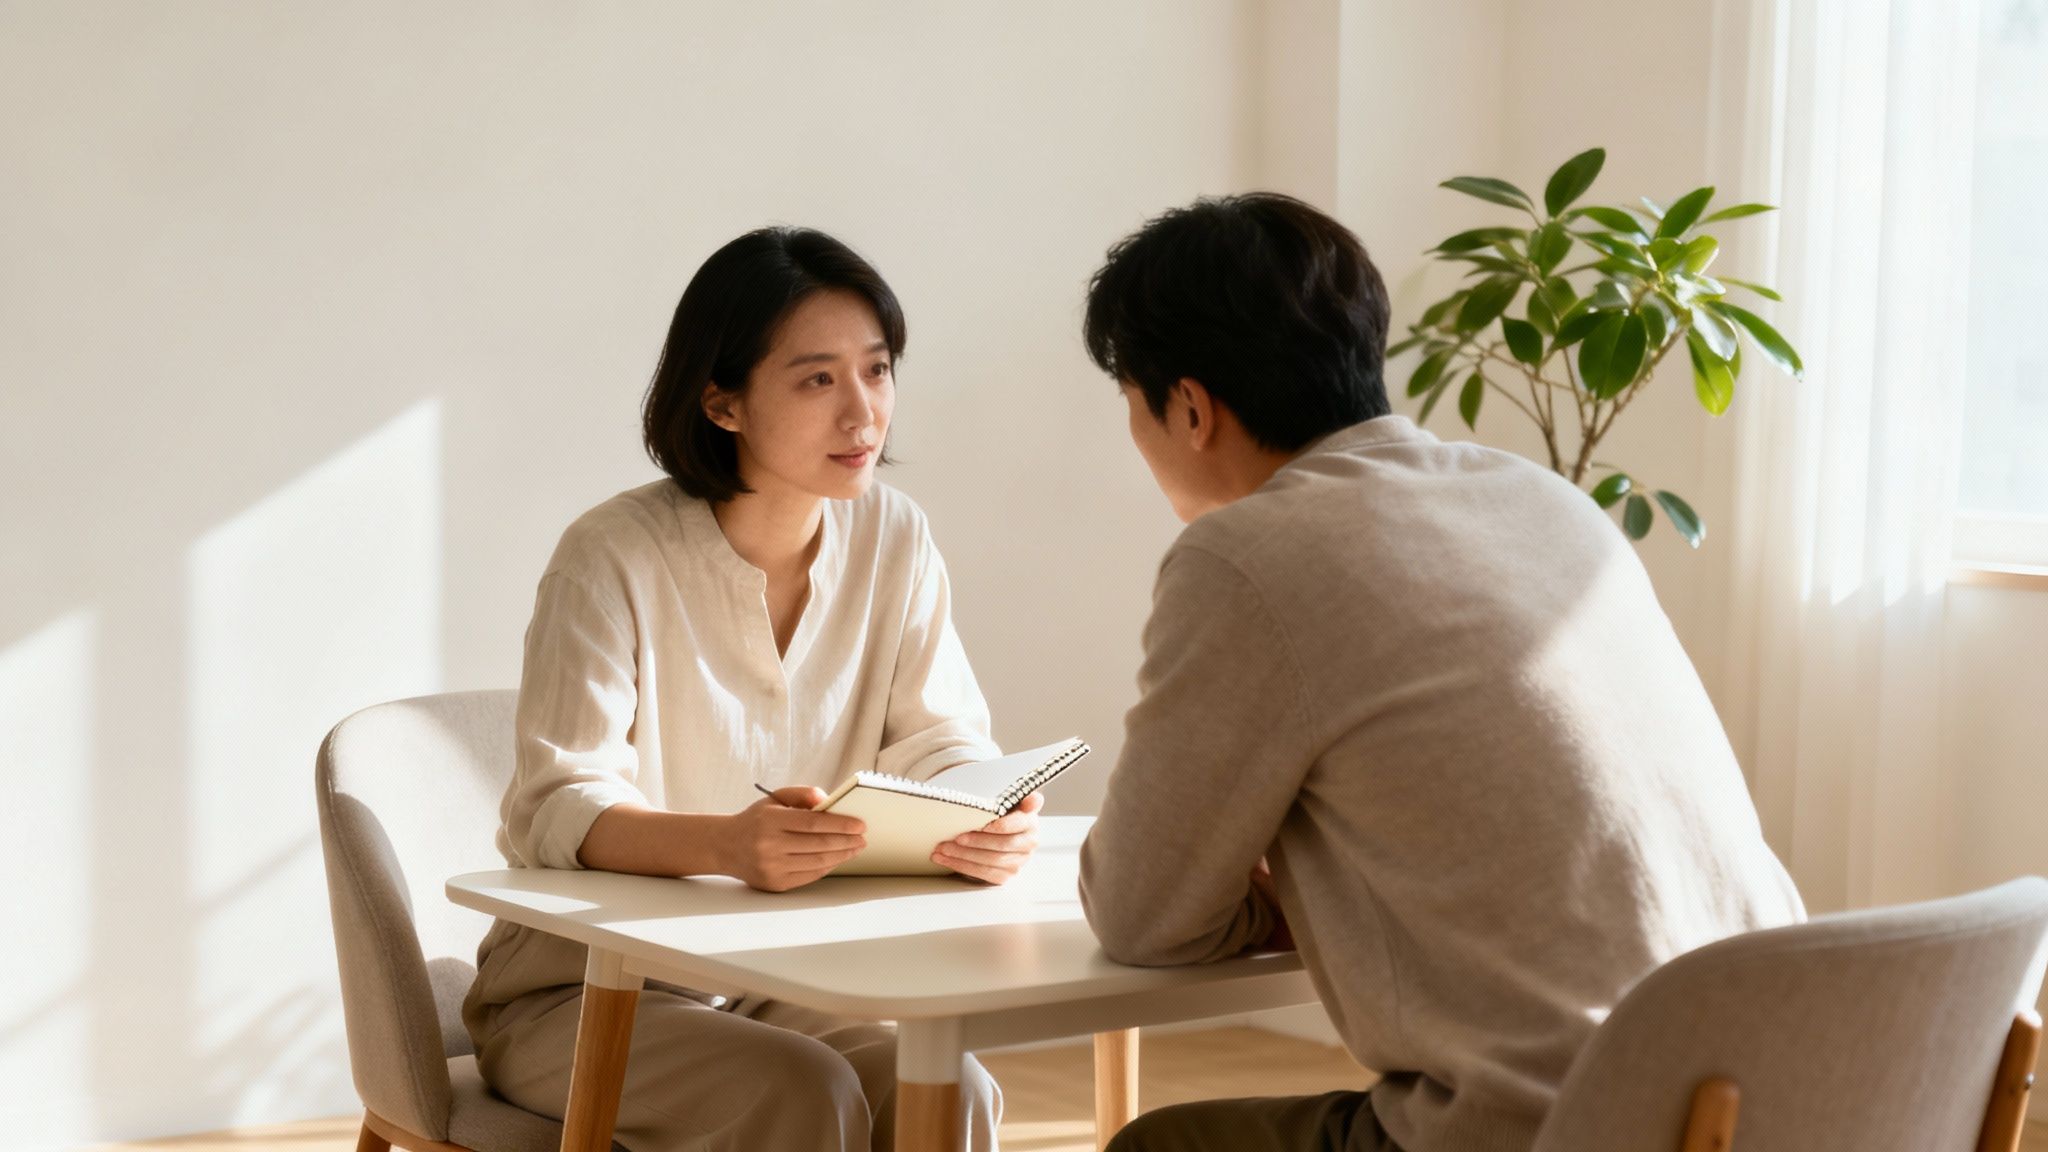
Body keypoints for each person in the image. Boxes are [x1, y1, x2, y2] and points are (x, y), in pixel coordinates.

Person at [1074, 193, 1804, 1152]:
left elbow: (1141, 914)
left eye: (1135, 404)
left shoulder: (1248, 558)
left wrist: (1277, 891)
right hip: (1788, 1092)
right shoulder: (1546, 503)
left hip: (1563, 1128)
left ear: (1192, 408)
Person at [463, 227, 1034, 1152]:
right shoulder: (611, 556)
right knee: (800, 1094)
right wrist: (729, 845)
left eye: (878, 371)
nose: (863, 415)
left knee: (949, 1086)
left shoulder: (895, 536)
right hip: (584, 991)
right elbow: (558, 805)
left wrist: (981, 804)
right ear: (723, 403)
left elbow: (936, 734)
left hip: (778, 976)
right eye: (818, 380)